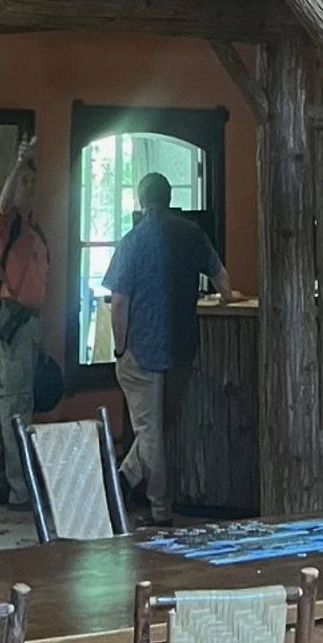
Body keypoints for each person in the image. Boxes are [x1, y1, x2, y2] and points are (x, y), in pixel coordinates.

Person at [103, 172, 229, 526]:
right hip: (181, 348)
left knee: (149, 432)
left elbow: (119, 302)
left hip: (142, 348)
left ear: (141, 201)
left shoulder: (132, 241)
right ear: (170, 197)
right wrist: (227, 299)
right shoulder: (192, 233)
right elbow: (223, 280)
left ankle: (159, 510)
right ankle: (121, 481)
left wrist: (120, 349)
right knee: (158, 428)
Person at [0, 136, 46, 510]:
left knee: (5, 402)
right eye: (24, 183)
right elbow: (2, 204)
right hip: (12, 322)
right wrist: (18, 163)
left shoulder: (34, 229)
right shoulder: (6, 226)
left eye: (33, 182)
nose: (29, 188)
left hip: (28, 323)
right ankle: (21, 488)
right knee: (16, 405)